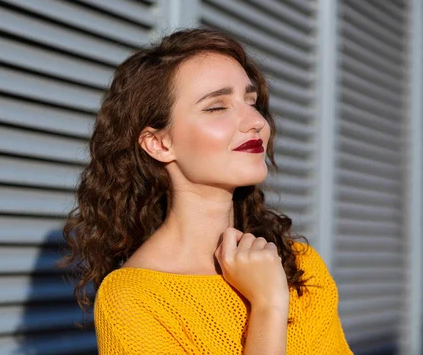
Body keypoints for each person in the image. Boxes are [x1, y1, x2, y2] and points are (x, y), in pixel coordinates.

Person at [57, 27, 353, 354]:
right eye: (217, 106)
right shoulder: (133, 298)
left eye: (251, 101)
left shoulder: (298, 265)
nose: (255, 120)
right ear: (158, 143)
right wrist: (268, 305)